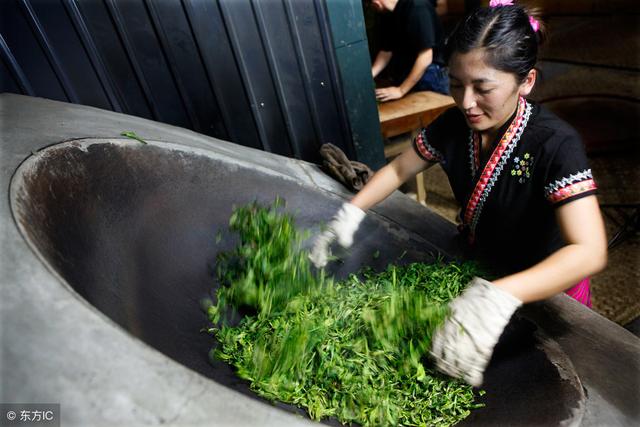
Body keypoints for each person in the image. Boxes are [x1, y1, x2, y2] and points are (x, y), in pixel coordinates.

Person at [311, 0, 607, 387]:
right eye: (455, 84)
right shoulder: (454, 126)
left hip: (547, 290)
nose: (466, 102)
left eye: (483, 88)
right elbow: (400, 168)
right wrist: (350, 211)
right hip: (486, 269)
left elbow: (588, 251)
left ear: (527, 82)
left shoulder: (555, 145)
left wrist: (500, 296)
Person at [369, 0, 449, 100]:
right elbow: (386, 51)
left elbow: (426, 56)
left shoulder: (418, 7)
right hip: (408, 74)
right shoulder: (387, 14)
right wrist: (370, 76)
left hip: (431, 74)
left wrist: (401, 90)